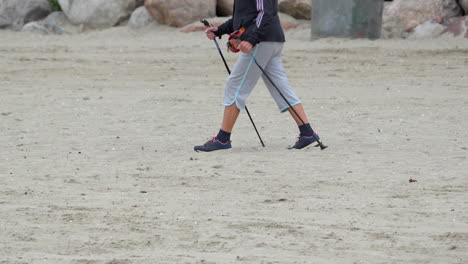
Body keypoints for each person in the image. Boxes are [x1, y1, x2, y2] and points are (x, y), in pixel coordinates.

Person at [194, 0, 320, 152]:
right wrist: (219, 30)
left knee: (234, 85)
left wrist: (252, 39)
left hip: (261, 41)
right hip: (270, 39)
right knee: (281, 87)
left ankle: (222, 139)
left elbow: (265, 13)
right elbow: (243, 17)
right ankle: (307, 133)